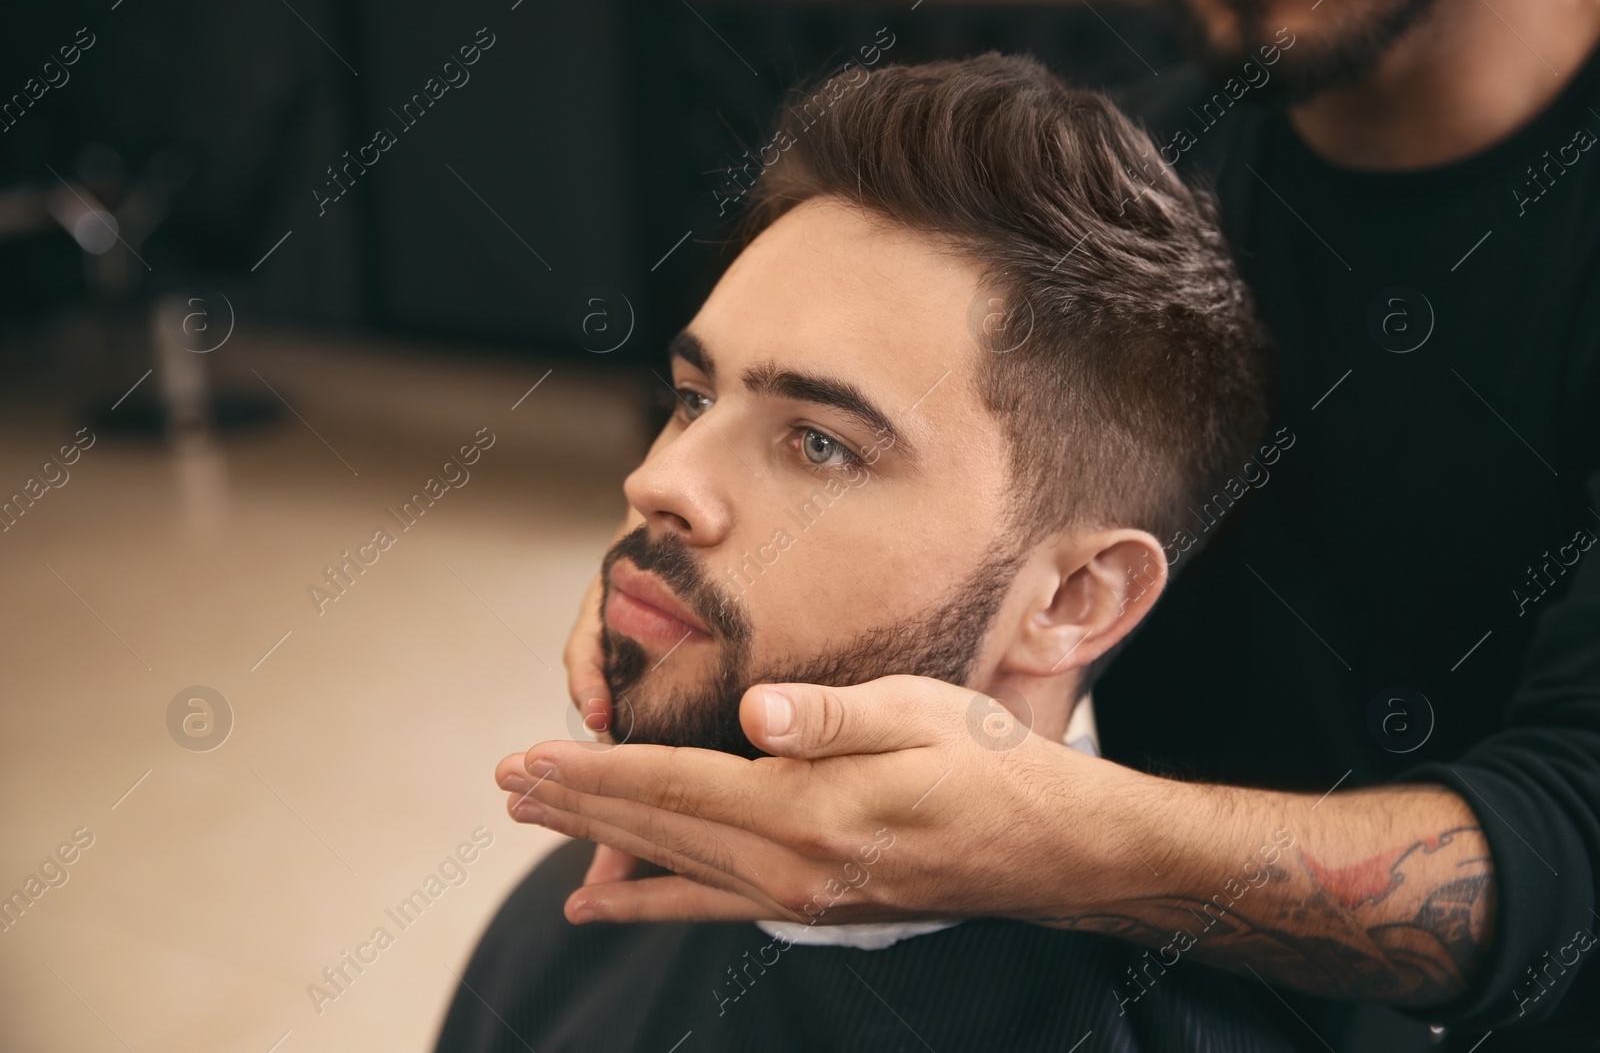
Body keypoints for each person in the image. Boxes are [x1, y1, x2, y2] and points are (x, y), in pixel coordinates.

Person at [535, 0, 1600, 1051]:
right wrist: (685, 577)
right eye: (687, 400)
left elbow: (1573, 852)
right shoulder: (1132, 184)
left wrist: (1045, 841)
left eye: (822, 442)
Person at [435, 55, 1296, 1051]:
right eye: (694, 399)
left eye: (819, 443)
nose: (656, 482)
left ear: (1070, 599)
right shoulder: (569, 919)